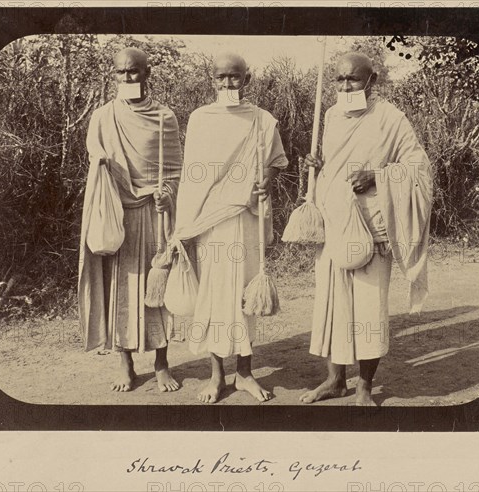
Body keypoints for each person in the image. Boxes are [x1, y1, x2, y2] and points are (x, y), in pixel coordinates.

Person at [300, 52, 433, 406]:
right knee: (333, 306)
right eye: (340, 80)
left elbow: (419, 168)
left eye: (354, 80)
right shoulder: (329, 115)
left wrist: (378, 175)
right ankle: (334, 380)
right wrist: (320, 166)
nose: (346, 86)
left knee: (369, 310)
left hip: (373, 229)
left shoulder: (390, 118)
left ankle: (364, 386)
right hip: (334, 226)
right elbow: (336, 166)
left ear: (371, 81)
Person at [172, 52, 288, 404]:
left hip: (247, 217)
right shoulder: (201, 119)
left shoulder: (263, 120)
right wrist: (187, 224)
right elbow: (193, 175)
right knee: (215, 295)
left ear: (247, 79)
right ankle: (216, 375)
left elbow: (276, 163)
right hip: (212, 221)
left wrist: (266, 181)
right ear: (212, 80)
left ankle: (245, 373)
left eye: (234, 77)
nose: (227, 84)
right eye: (221, 77)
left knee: (245, 295)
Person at [78, 48, 183, 393]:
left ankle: (162, 363)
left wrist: (166, 193)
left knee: (158, 287)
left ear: (147, 73)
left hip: (154, 215)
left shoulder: (165, 117)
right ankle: (124, 364)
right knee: (119, 288)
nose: (127, 78)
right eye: (121, 72)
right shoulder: (102, 117)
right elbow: (96, 164)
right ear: (114, 75)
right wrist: (103, 166)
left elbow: (175, 171)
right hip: (117, 216)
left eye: (134, 72)